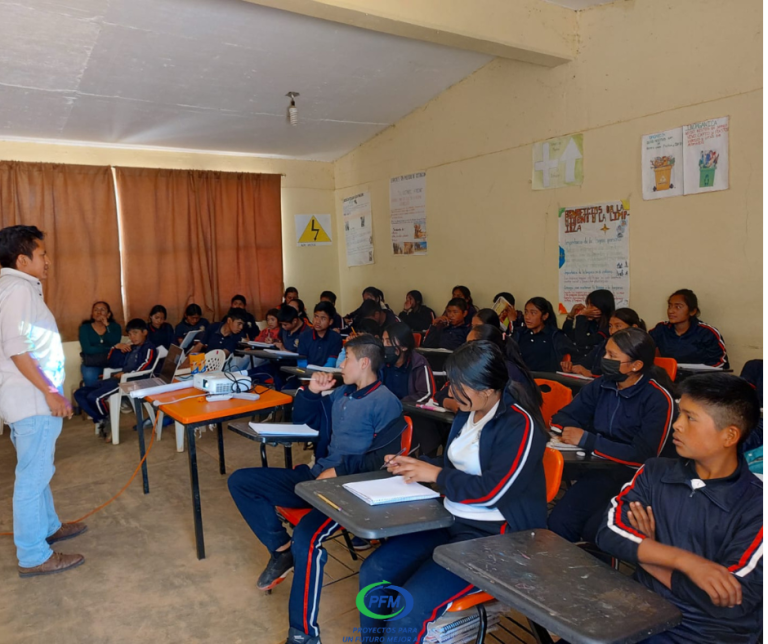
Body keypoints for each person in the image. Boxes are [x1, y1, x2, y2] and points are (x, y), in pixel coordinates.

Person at [358, 341, 549, 644]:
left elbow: (493, 492)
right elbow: (456, 464)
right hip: (449, 520)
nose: (450, 391)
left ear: (487, 389)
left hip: (494, 536)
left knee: (410, 607)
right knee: (375, 571)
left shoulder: (520, 425)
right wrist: (414, 464)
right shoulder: (467, 412)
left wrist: (434, 474)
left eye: (459, 385)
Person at [228, 335, 404, 644]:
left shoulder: (386, 402)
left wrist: (340, 470)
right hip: (314, 477)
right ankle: (281, 551)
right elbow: (304, 422)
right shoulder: (342, 395)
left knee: (307, 541)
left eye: (345, 359)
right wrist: (311, 393)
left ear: (364, 363)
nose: (339, 365)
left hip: (347, 490)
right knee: (242, 482)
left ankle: (303, 635)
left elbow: (385, 460)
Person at [595, 373, 762, 644]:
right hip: (640, 612)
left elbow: (732, 598)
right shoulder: (655, 472)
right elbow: (608, 531)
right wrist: (689, 563)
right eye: (679, 414)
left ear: (729, 435)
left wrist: (645, 554)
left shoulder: (757, 505)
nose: (677, 425)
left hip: (703, 633)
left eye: (690, 417)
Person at [0, 225, 85, 577]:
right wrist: (50, 392)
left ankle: (49, 526)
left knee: (38, 471)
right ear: (23, 259)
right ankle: (34, 556)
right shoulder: (18, 289)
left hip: (29, 400)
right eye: (42, 254)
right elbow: (17, 348)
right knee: (32, 478)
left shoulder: (14, 288)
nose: (48, 260)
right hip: (32, 401)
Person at [547, 328, 676, 543]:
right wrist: (575, 432)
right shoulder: (601, 385)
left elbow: (643, 456)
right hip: (601, 470)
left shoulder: (657, 399)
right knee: (560, 522)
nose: (604, 359)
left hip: (637, 481)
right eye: (606, 353)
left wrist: (587, 440)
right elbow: (561, 417)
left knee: (596, 531)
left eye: (612, 356)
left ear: (636, 365)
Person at [74, 319, 157, 439]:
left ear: (144, 332)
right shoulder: (131, 347)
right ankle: (103, 419)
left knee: (95, 397)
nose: (132, 337)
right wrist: (116, 348)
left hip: (132, 381)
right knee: (79, 394)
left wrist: (126, 374)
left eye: (135, 333)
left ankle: (104, 419)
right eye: (129, 334)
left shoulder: (149, 348)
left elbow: (145, 366)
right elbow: (112, 363)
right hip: (119, 379)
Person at [649, 289, 729, 368]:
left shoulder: (707, 333)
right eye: (670, 306)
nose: (671, 311)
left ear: (692, 311)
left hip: (700, 379)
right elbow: (643, 349)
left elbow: (721, 364)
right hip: (667, 378)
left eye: (678, 307)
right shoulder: (661, 329)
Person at [561, 307, 646, 378]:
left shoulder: (639, 348)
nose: (612, 331)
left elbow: (616, 374)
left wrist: (591, 374)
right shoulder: (606, 343)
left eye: (618, 326)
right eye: (610, 326)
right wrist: (571, 366)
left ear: (634, 327)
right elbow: (586, 361)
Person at [513, 297, 575, 372]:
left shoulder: (555, 336)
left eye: (533, 313)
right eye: (526, 312)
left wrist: (567, 364)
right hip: (522, 380)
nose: (527, 317)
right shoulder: (519, 333)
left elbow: (575, 357)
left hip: (547, 380)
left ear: (545, 316)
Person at [381, 322, 435, 402]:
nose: (384, 345)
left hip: (409, 410)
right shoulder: (381, 361)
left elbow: (426, 394)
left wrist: (400, 404)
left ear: (404, 347)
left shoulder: (418, 363)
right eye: (382, 341)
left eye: (388, 342)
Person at [562, 289, 615, 365]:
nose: (587, 309)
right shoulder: (591, 323)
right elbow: (569, 335)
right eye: (587, 305)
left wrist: (581, 317)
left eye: (592, 305)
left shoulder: (609, 327)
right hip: (578, 364)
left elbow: (582, 342)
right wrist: (571, 316)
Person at [78, 301, 123, 386]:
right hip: (92, 363)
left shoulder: (115, 327)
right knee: (89, 376)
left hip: (112, 362)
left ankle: (106, 397)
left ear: (108, 314)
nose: (99, 312)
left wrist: (107, 325)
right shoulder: (85, 328)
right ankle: (93, 398)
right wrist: (110, 348)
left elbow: (115, 342)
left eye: (102, 310)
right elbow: (87, 349)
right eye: (96, 310)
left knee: (121, 377)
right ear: (92, 314)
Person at [296, 301, 343, 368]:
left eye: (323, 318)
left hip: (326, 375)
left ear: (330, 321)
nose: (318, 321)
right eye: (316, 316)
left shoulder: (335, 338)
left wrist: (319, 375)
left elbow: (331, 362)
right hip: (306, 375)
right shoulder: (304, 336)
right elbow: (301, 361)